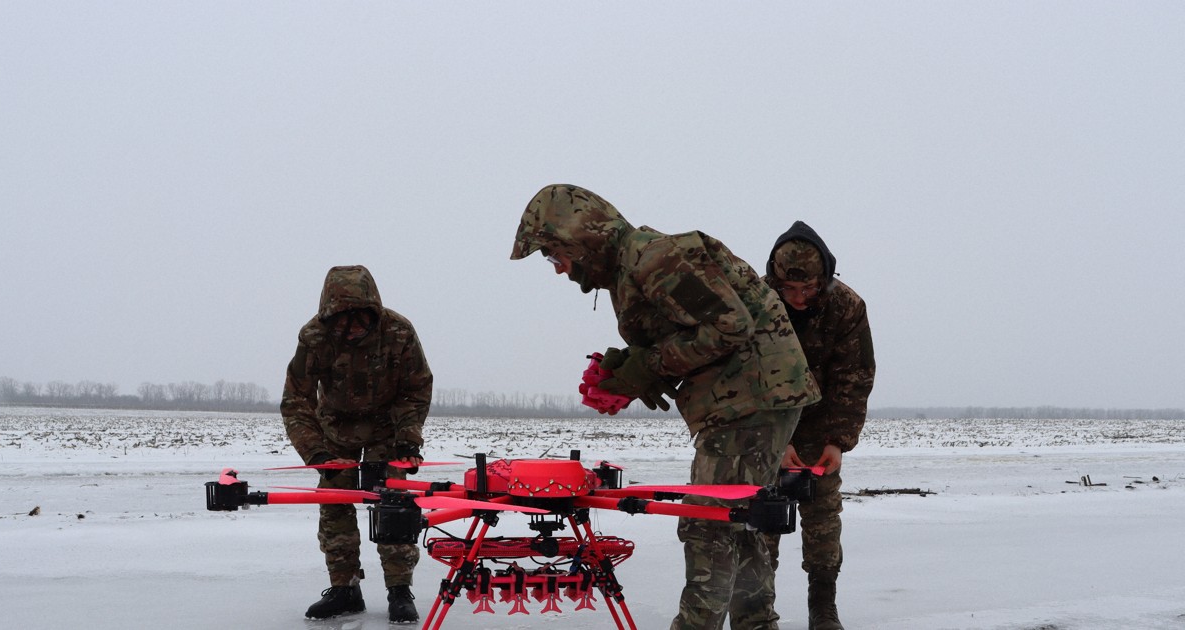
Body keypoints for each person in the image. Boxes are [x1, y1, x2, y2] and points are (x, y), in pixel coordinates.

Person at [511, 184, 821, 630]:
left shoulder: (650, 257)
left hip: (749, 402)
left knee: (710, 521)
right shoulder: (631, 266)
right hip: (750, 401)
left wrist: (649, 364)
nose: (558, 269)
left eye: (553, 255)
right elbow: (690, 331)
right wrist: (629, 370)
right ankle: (756, 624)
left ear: (579, 238)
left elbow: (731, 326)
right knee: (740, 519)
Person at [280, 264, 434, 622]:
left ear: (373, 311)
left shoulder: (399, 331)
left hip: (388, 430)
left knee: (393, 505)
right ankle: (345, 588)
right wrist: (314, 451)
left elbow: (416, 389)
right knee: (335, 505)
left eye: (360, 320)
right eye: (343, 321)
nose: (353, 330)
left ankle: (399, 590)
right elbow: (296, 400)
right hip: (335, 430)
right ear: (330, 317)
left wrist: (408, 441)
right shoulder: (313, 337)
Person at [763, 222, 875, 630]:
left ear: (823, 280)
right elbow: (745, 375)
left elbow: (855, 376)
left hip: (822, 422)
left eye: (807, 290)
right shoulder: (755, 301)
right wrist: (777, 440)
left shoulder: (846, 307)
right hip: (766, 424)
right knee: (762, 516)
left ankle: (823, 609)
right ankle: (759, 611)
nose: (796, 299)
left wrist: (838, 441)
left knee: (824, 516)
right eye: (788, 290)